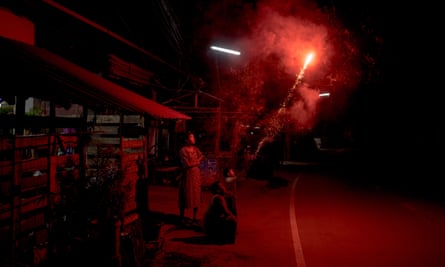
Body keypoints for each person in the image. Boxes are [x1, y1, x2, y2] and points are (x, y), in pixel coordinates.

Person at [178, 131, 204, 226]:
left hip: (196, 174)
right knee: (185, 194)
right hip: (188, 174)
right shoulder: (183, 150)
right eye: (191, 137)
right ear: (186, 140)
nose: (193, 139)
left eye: (193, 137)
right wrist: (196, 162)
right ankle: (182, 217)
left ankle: (194, 217)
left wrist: (195, 162)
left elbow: (201, 156)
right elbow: (187, 164)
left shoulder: (196, 149)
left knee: (196, 195)